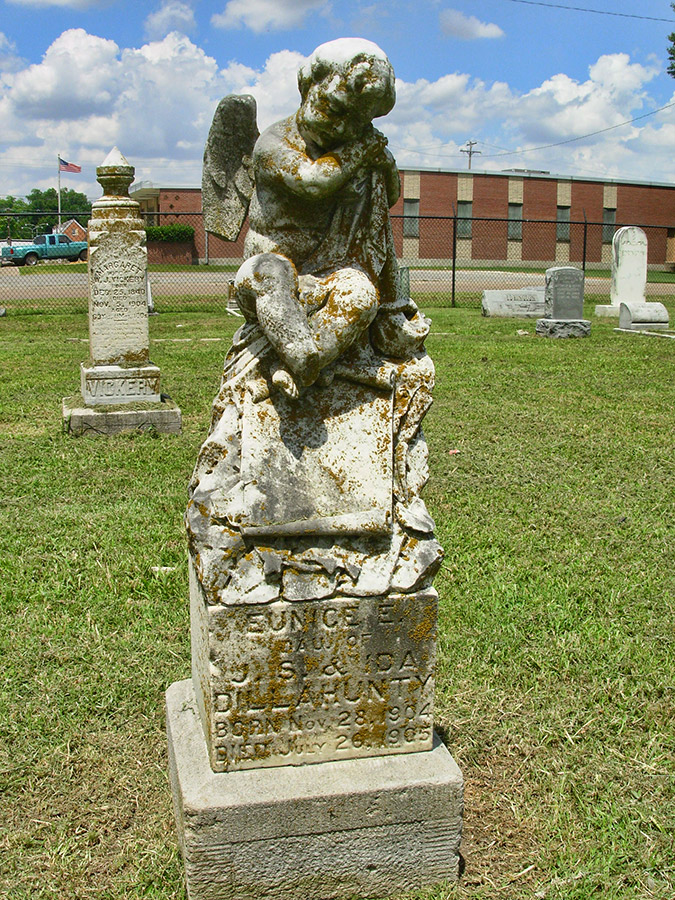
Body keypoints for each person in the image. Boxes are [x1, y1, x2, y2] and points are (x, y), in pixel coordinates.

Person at [233, 38, 401, 398]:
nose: (343, 128)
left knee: (360, 295)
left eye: (359, 121)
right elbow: (313, 182)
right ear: (309, 85)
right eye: (335, 109)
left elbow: (391, 195)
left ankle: (303, 364)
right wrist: (363, 149)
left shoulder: (355, 149)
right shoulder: (273, 143)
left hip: (332, 272)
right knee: (270, 275)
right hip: (271, 268)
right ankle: (305, 358)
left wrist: (385, 163)